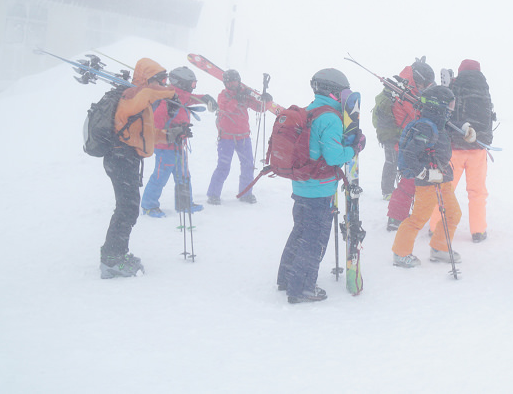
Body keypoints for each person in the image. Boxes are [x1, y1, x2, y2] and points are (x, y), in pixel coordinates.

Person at [277, 68, 365, 303]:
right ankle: (302, 287)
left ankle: (286, 278)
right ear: (335, 93)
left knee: (301, 233)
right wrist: (354, 148)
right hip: (320, 188)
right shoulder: (331, 118)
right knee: (314, 240)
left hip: (302, 185)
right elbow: (335, 156)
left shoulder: (310, 111)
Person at [99, 58, 178, 278]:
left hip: (127, 158)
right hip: (120, 157)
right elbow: (147, 94)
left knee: (127, 208)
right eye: (158, 81)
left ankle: (115, 255)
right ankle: (112, 259)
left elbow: (145, 134)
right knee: (127, 209)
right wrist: (169, 93)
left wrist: (172, 134)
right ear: (147, 80)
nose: (161, 85)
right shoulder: (131, 97)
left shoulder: (142, 103)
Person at [391, 85, 476, 268]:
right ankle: (400, 253)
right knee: (419, 218)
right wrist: (423, 172)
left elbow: (450, 128)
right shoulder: (425, 126)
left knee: (453, 213)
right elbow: (410, 153)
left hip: (442, 177)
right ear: (439, 106)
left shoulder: (437, 123)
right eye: (450, 106)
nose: (451, 110)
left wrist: (465, 128)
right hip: (428, 181)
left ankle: (440, 248)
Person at [429, 59, 496, 243]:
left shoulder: (455, 85)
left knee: (445, 188)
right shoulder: (484, 88)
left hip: (456, 147)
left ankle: (435, 226)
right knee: (477, 192)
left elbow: (446, 113)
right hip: (478, 147)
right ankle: (478, 230)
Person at [140, 66, 216, 217]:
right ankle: (149, 206)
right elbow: (154, 127)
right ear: (182, 83)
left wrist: (204, 98)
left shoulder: (180, 96)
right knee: (160, 176)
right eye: (192, 84)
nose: (194, 87)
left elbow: (189, 99)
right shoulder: (167, 101)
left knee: (183, 175)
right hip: (165, 147)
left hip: (179, 145)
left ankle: (184, 204)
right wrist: (172, 133)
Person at [384, 58, 435, 231]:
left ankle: (398, 217)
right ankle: (396, 218)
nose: (425, 88)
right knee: (410, 181)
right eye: (424, 85)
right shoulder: (404, 93)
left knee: (411, 180)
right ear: (418, 80)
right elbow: (415, 116)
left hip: (410, 140)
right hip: (407, 142)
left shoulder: (406, 89)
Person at [206, 69, 271, 205]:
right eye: (230, 83)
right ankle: (213, 195)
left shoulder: (244, 95)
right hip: (226, 138)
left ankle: (246, 193)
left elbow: (259, 107)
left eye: (235, 82)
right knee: (223, 166)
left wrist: (267, 100)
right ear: (225, 84)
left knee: (248, 165)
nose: (233, 85)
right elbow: (226, 108)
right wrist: (237, 99)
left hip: (243, 137)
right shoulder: (222, 95)